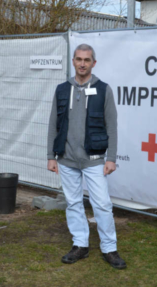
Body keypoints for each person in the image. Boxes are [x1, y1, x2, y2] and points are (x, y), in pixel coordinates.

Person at [47, 43, 126, 269]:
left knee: (102, 204)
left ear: (93, 63)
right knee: (73, 203)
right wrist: (51, 156)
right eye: (79, 59)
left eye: (87, 60)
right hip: (67, 159)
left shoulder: (104, 89)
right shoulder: (62, 89)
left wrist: (111, 157)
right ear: (73, 61)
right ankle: (80, 245)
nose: (82, 63)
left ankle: (109, 248)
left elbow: (112, 126)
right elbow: (53, 124)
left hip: (95, 159)